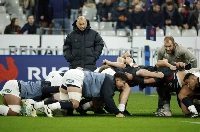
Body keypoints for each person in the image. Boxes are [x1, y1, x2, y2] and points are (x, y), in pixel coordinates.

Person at [32, 68, 130, 117]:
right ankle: (48, 107)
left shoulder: (108, 81)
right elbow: (108, 98)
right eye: (123, 83)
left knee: (64, 108)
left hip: (71, 74)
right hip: (77, 77)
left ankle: (33, 106)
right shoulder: (110, 80)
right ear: (118, 79)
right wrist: (117, 112)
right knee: (74, 104)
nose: (123, 86)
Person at [155, 36, 197, 114]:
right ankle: (161, 108)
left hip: (181, 75)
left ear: (174, 44)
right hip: (169, 73)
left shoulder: (182, 49)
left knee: (181, 102)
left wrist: (191, 73)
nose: (167, 49)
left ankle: (194, 106)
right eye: (166, 46)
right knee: (161, 86)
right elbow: (159, 63)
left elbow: (193, 59)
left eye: (169, 46)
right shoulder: (161, 50)